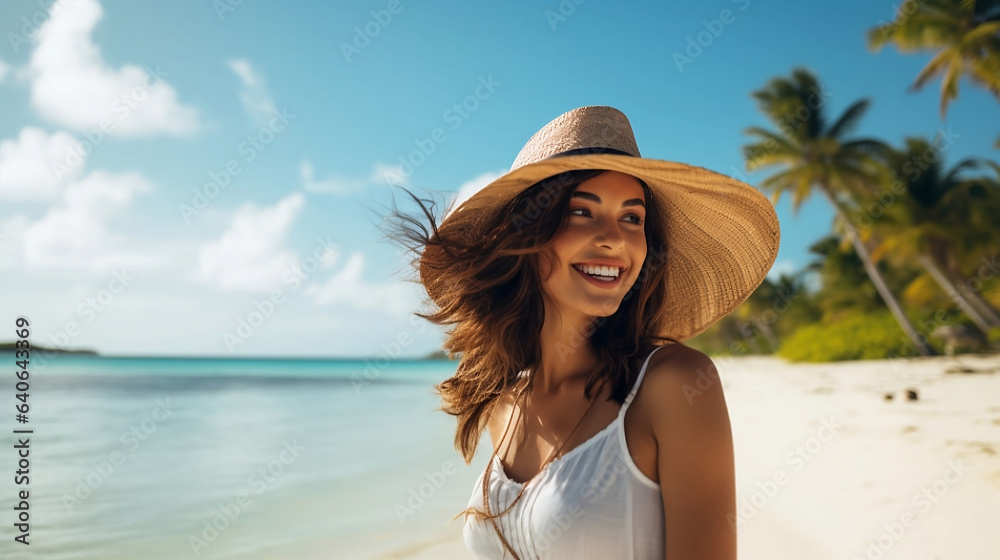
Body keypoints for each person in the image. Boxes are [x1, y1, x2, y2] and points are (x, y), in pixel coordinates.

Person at [382, 106, 780, 559]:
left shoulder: (675, 384)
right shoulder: (506, 405)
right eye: (582, 212)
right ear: (528, 237)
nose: (615, 238)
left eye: (633, 218)